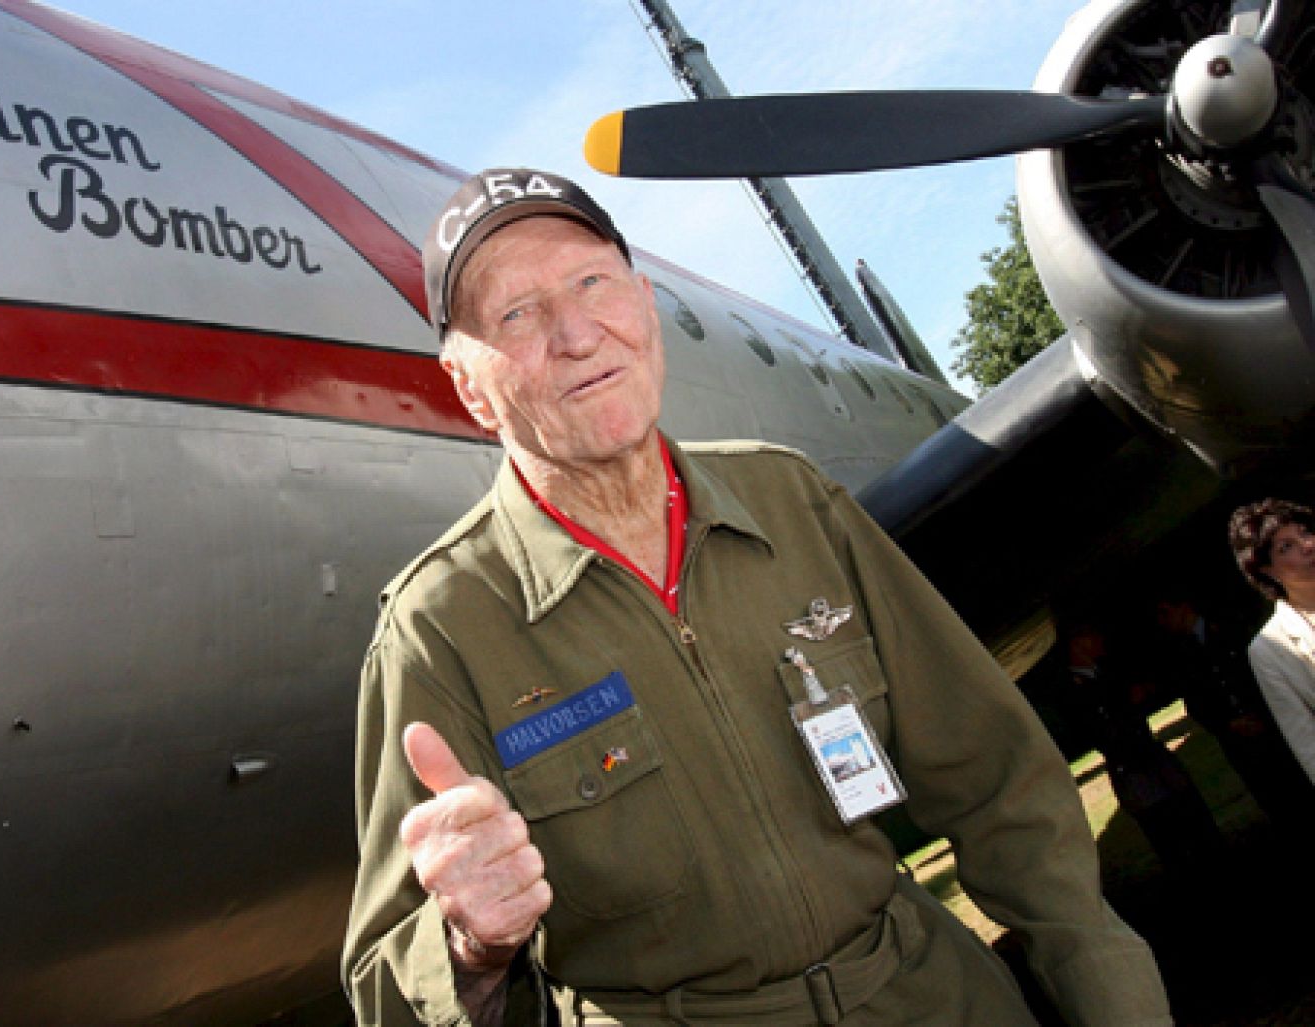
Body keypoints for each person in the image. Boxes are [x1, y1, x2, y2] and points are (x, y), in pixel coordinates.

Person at [342, 167, 1170, 1026]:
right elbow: (383, 993)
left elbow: (1002, 786)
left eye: (593, 282)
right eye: (516, 314)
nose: (578, 334)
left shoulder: (796, 503)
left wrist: (1115, 1002)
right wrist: (469, 946)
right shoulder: (437, 629)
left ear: (644, 302)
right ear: (469, 386)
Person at [1058, 620, 1224, 880]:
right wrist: (1126, 704)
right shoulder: (1077, 689)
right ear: (1079, 643)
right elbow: (1104, 729)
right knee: (1169, 833)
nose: (1100, 641)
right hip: (1135, 768)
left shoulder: (1102, 675)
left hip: (1150, 758)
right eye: (1092, 636)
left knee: (1195, 821)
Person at [1151, 587, 1315, 833]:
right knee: (1275, 803)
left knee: (1299, 786)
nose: (1163, 622)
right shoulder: (1182, 656)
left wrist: (1263, 713)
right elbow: (1195, 703)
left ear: (1182, 607)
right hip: (1241, 742)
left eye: (1165, 613)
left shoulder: (1230, 629)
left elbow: (1261, 673)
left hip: (1273, 728)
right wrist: (1226, 723)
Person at [1229, 498, 1315, 786]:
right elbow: (1305, 739)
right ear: (1266, 570)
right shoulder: (1269, 649)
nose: (1308, 545)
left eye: (1304, 532)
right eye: (1286, 547)